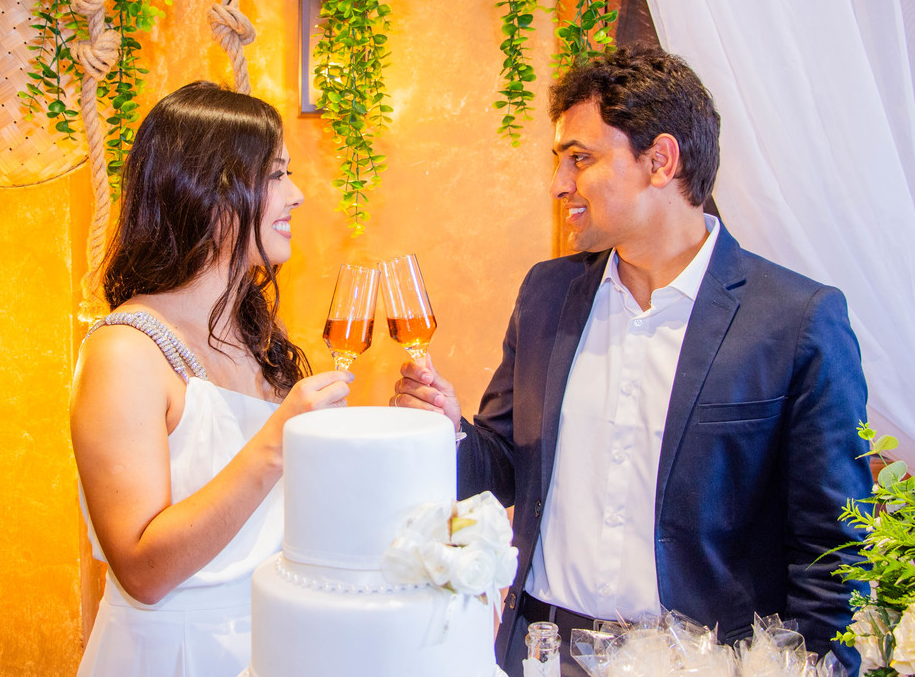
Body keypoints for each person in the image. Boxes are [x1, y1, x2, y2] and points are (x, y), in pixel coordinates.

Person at [392, 46, 872, 676]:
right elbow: (505, 463)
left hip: (700, 663)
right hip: (540, 651)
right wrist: (448, 429)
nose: (560, 183)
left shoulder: (795, 320)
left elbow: (832, 553)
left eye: (580, 158)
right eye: (560, 160)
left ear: (661, 161)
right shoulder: (547, 294)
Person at [71, 82, 353, 676]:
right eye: (276, 175)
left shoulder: (257, 338)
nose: (297, 195)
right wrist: (275, 444)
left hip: (275, 644)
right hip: (176, 653)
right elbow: (142, 572)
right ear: (211, 190)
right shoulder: (124, 352)